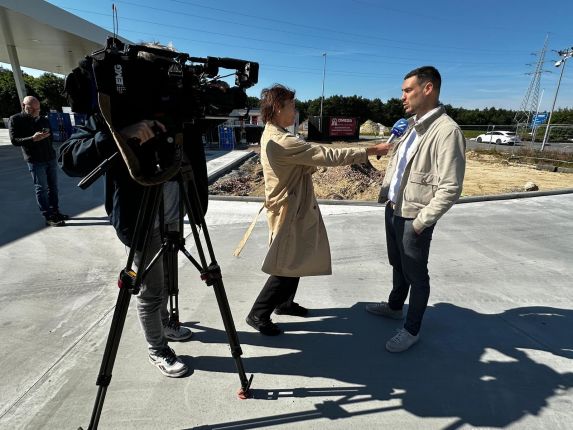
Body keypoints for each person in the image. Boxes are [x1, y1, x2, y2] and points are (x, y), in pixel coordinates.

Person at [58, 47, 209, 377]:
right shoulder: (117, 112)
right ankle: (157, 349)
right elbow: (69, 158)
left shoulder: (177, 108)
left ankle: (168, 323)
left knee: (169, 279)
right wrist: (120, 136)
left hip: (173, 211)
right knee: (151, 288)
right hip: (140, 218)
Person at [246, 83, 392, 336]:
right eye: (292, 105)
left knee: (297, 257)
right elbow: (326, 154)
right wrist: (369, 150)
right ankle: (258, 313)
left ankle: (284, 303)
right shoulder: (281, 140)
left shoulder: (274, 132)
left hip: (294, 205)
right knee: (287, 264)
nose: (296, 110)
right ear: (279, 108)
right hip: (289, 210)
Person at [365, 66, 466, 352]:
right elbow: (398, 166)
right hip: (394, 208)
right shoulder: (411, 125)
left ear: (428, 89)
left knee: (416, 275)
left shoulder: (447, 131)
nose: (402, 96)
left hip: (414, 216)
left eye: (408, 90)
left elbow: (450, 187)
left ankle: (411, 329)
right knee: (397, 264)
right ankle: (395, 306)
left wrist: (422, 222)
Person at [9, 96, 68, 226]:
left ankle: (56, 211)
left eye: (38, 109)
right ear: (23, 105)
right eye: (33, 109)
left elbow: (50, 136)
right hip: (35, 160)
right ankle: (48, 216)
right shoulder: (16, 119)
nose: (36, 112)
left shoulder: (43, 119)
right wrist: (32, 138)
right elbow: (14, 140)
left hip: (49, 157)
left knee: (53, 187)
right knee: (41, 188)